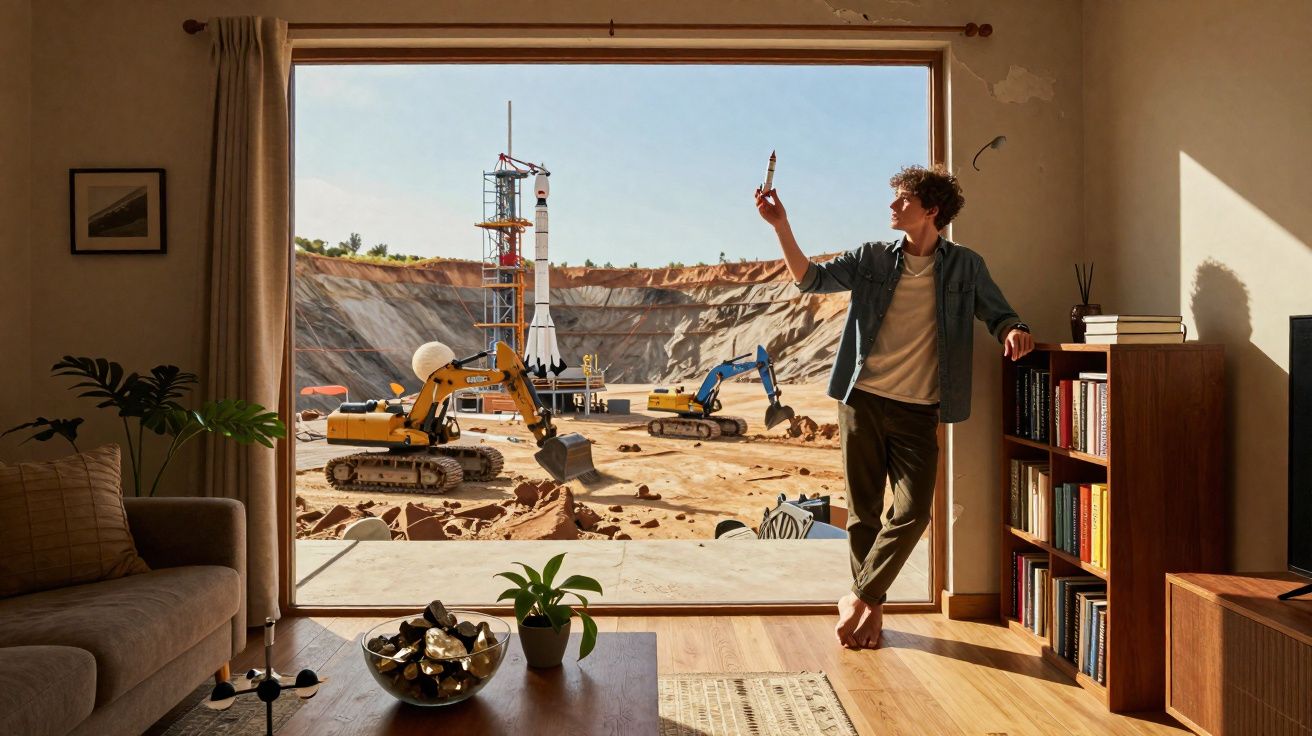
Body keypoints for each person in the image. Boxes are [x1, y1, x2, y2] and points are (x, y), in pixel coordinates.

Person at [755, 165, 1033, 649]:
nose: (891, 205)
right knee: (864, 513)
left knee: (912, 511)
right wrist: (781, 226)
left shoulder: (966, 266)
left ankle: (859, 597)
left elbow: (998, 311)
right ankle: (873, 615)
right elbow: (812, 280)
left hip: (920, 410)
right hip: (861, 401)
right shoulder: (872, 258)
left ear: (932, 210)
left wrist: (1012, 329)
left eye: (902, 199)